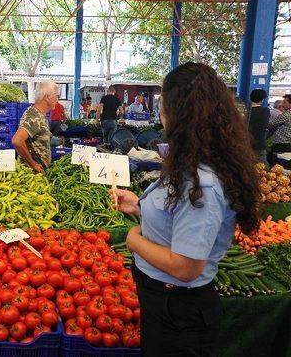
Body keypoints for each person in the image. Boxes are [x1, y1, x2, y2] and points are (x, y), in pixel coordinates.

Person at [111, 62, 260, 356]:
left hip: (178, 311)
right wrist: (140, 208)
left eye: (163, 105)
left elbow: (186, 267)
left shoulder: (202, 184)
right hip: (166, 305)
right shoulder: (194, 163)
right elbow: (179, 216)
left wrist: (134, 240)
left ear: (176, 113)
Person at [12, 81, 58, 173]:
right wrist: (33, 164)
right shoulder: (34, 116)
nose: (57, 100)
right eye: (56, 96)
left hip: (38, 174)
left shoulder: (39, 115)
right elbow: (17, 140)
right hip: (31, 175)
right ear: (47, 97)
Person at [248, 89, 270, 164]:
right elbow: (265, 126)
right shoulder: (265, 111)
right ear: (262, 99)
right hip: (259, 143)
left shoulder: (245, 110)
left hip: (244, 143)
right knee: (263, 169)